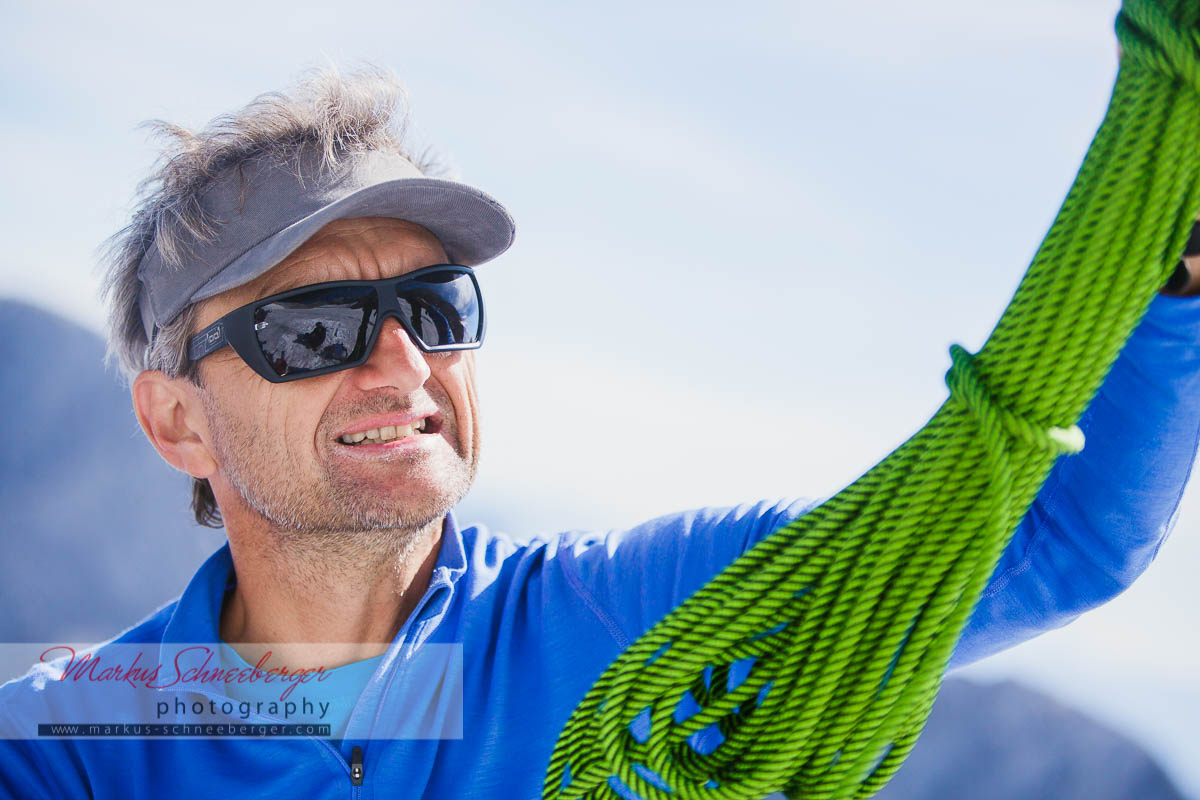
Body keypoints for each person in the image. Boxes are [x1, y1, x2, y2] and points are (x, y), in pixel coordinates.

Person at [2, 66, 1199, 799]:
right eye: (312, 329)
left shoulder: (638, 620)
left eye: (434, 307)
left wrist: (1178, 271)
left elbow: (1061, 537)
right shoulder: (77, 739)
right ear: (176, 422)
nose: (404, 360)